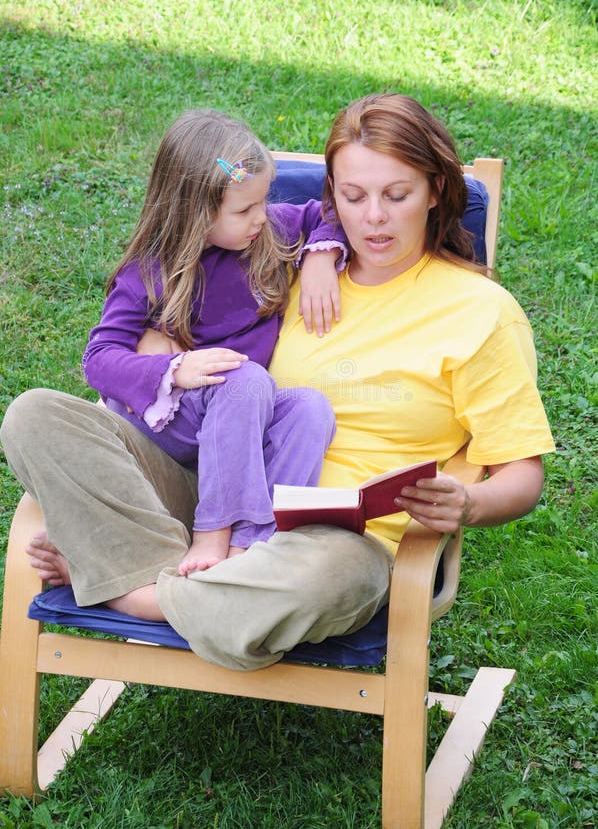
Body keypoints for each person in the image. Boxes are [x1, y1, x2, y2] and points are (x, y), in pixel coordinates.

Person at [1, 93, 554, 670]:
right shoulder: (273, 259)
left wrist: (470, 502)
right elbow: (178, 316)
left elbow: (521, 473)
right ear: (331, 197)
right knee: (35, 414)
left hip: (334, 542)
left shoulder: (481, 312)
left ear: (436, 190)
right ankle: (202, 589)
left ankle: (123, 582)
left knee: (327, 580)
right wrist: (157, 350)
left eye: (397, 195)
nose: (375, 218)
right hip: (209, 491)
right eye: (353, 196)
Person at [81, 108, 346, 574]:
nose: (261, 218)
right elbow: (99, 360)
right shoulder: (148, 273)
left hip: (241, 414)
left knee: (310, 408)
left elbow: (325, 211)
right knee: (246, 378)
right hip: (175, 421)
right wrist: (173, 370)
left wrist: (321, 255)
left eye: (263, 202)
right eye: (244, 210)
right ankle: (213, 531)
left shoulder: (268, 235)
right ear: (195, 211)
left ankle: (257, 544)